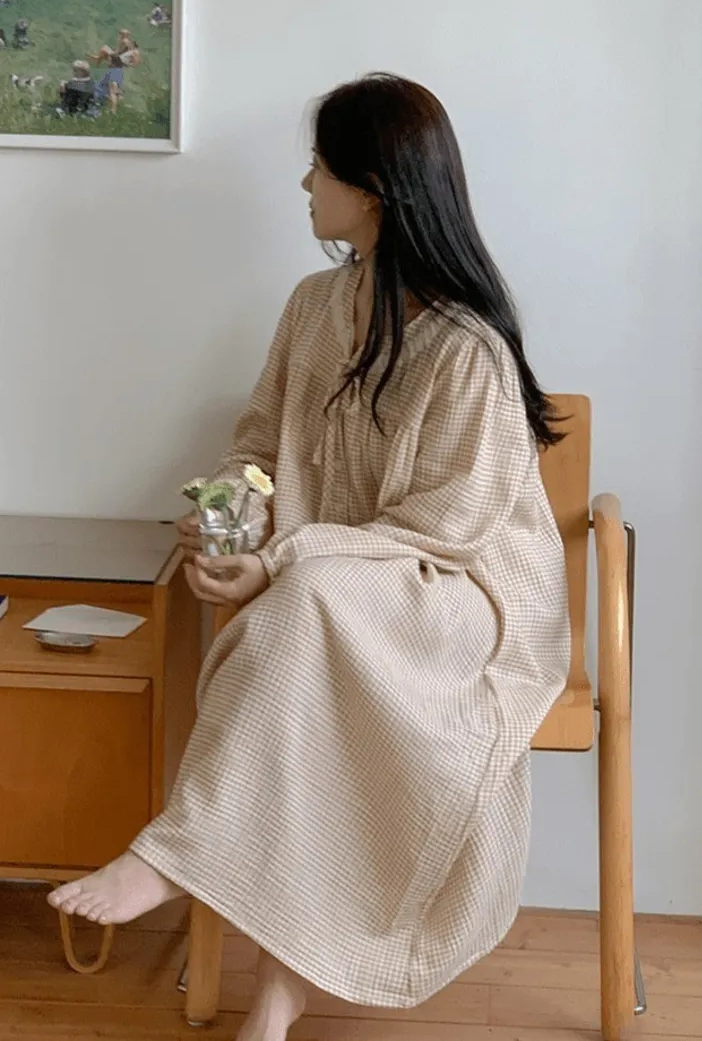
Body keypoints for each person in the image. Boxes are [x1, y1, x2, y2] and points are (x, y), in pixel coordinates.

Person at [48, 73, 571, 1041]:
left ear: (371, 191)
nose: (304, 185)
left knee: (304, 603)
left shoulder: (469, 351)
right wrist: (233, 515)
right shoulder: (312, 307)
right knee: (303, 626)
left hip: (462, 602)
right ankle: (273, 1005)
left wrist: (284, 559)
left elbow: (446, 528)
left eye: (320, 168)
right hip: (330, 592)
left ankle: (175, 855)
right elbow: (257, 442)